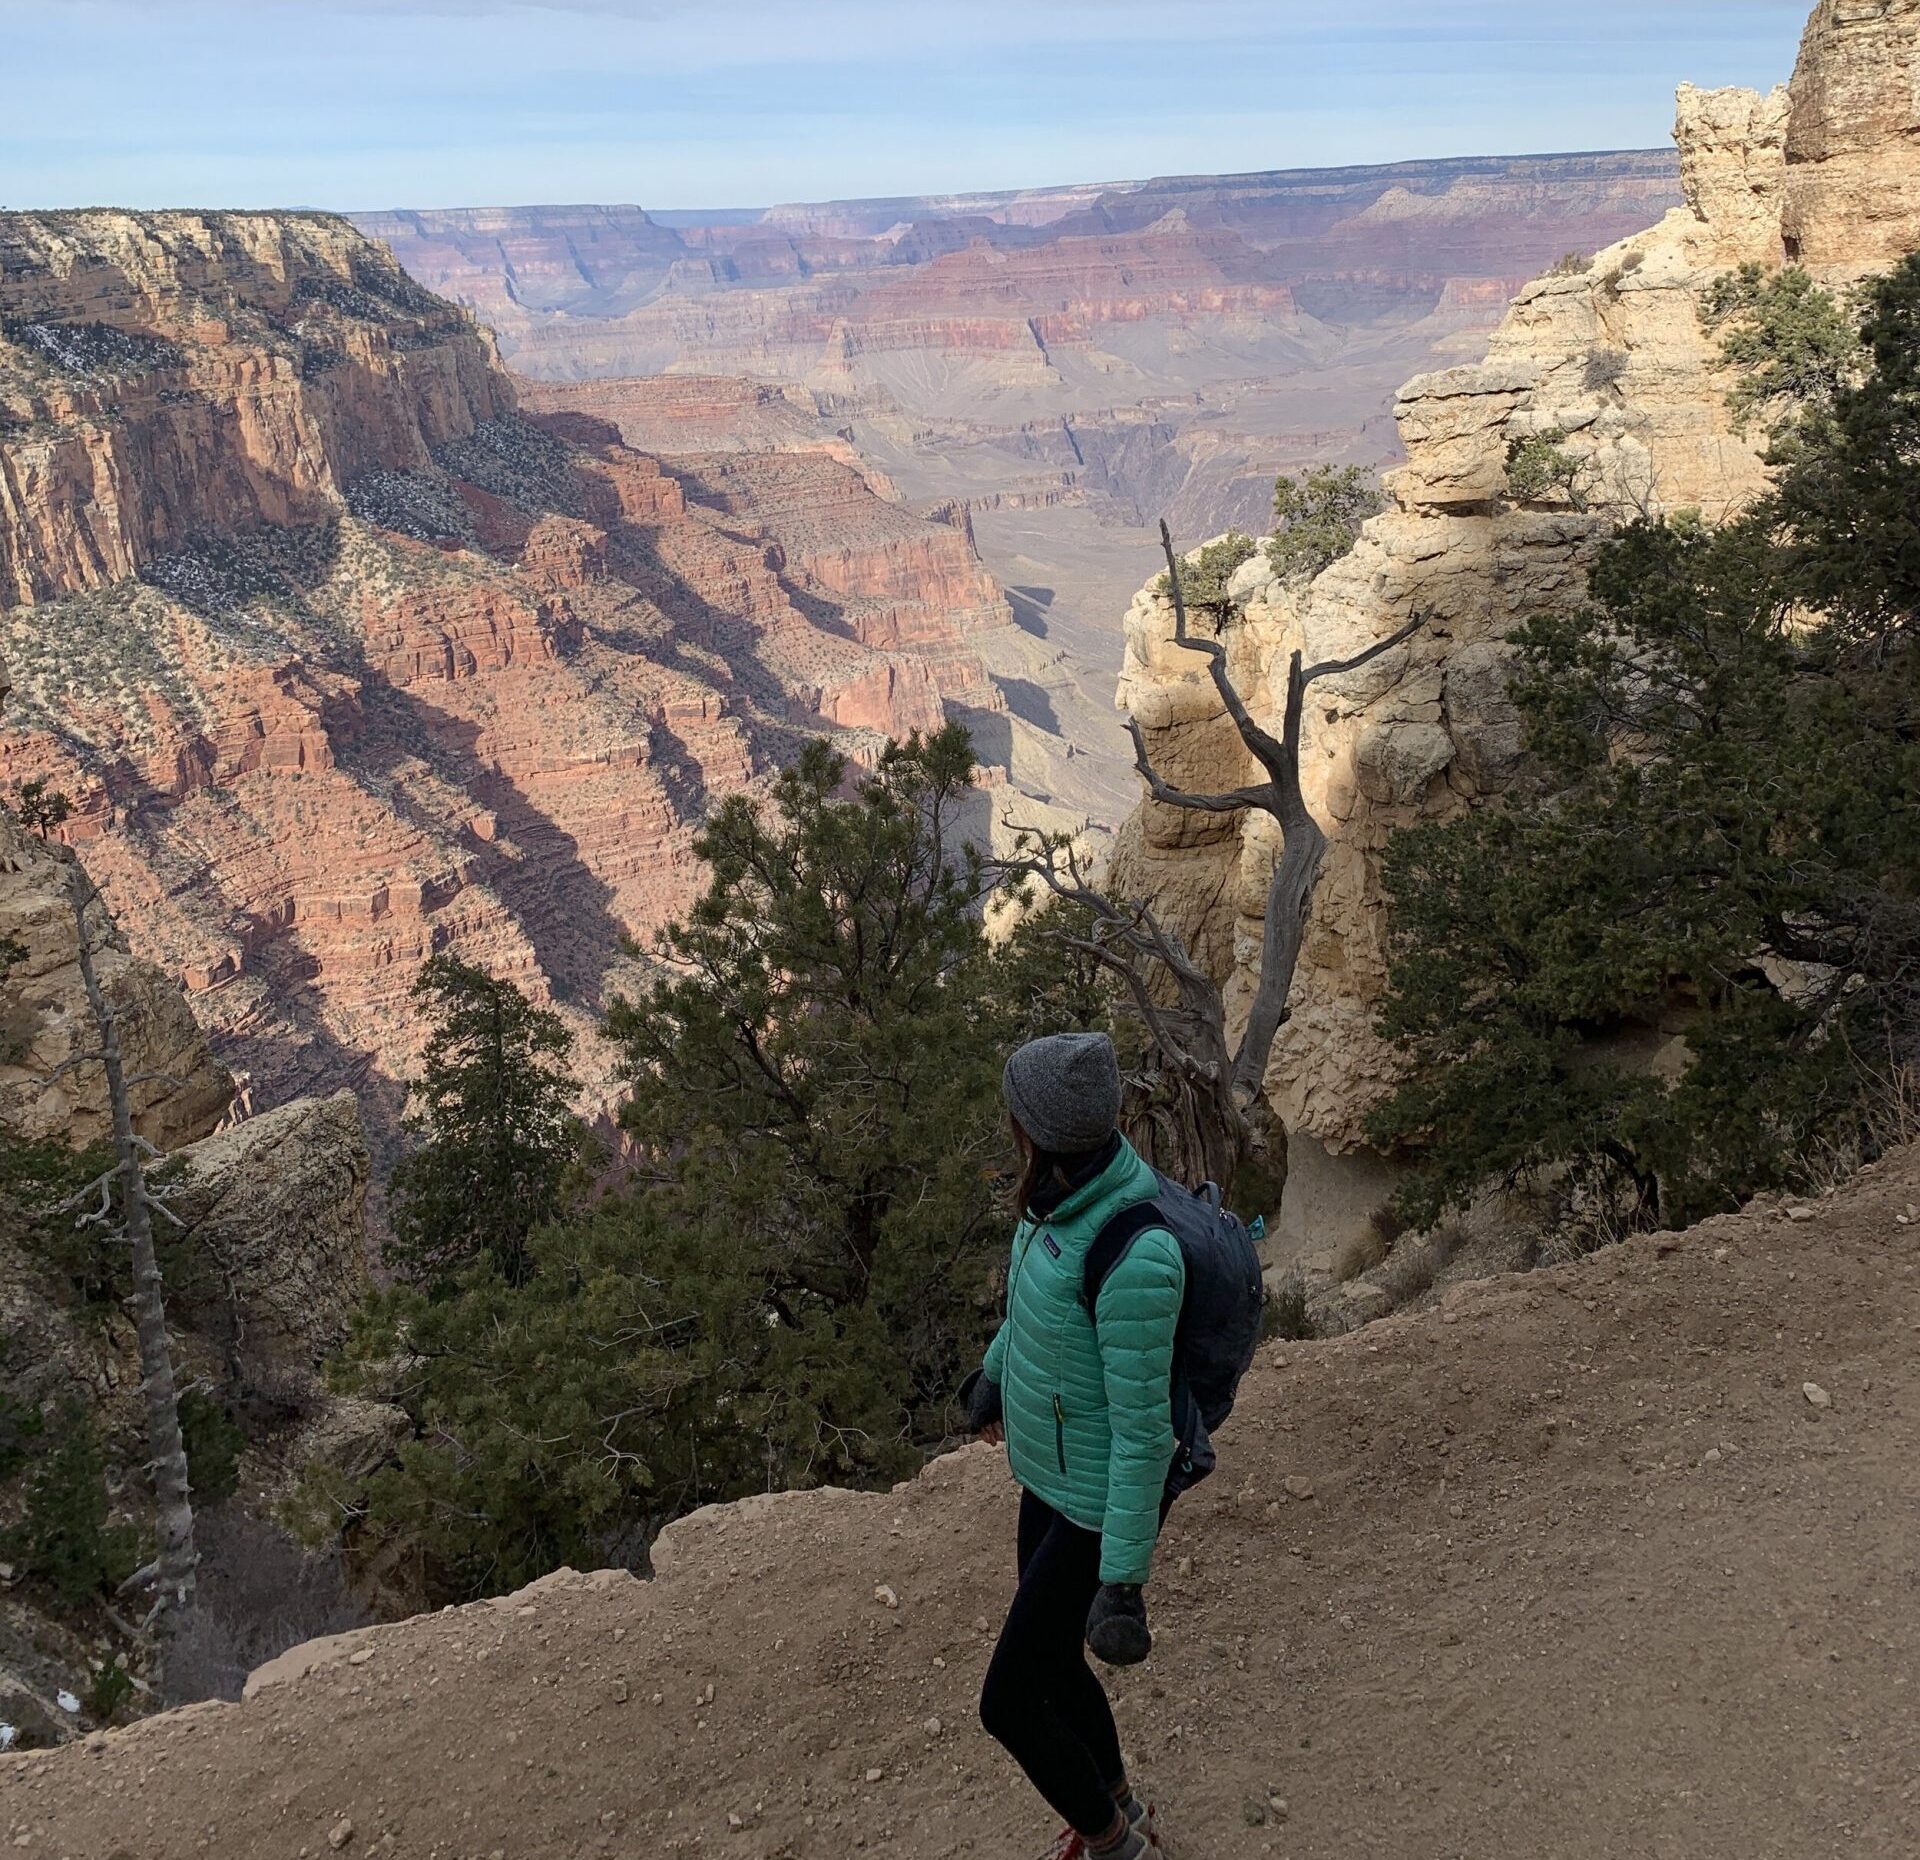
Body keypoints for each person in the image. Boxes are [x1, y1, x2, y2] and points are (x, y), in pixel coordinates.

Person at [967, 1031, 1184, 1860]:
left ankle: (1115, 1846)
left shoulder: (1135, 1254)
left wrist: (1122, 1584)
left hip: (1093, 1507)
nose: (1010, 1127)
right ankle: (1121, 1803)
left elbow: (1142, 1436)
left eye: (1016, 1114)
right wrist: (993, 1378)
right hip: (1048, 1478)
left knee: (1009, 1701)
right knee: (1055, 1665)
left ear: (1043, 1128)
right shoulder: (1056, 1196)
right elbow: (1036, 1314)